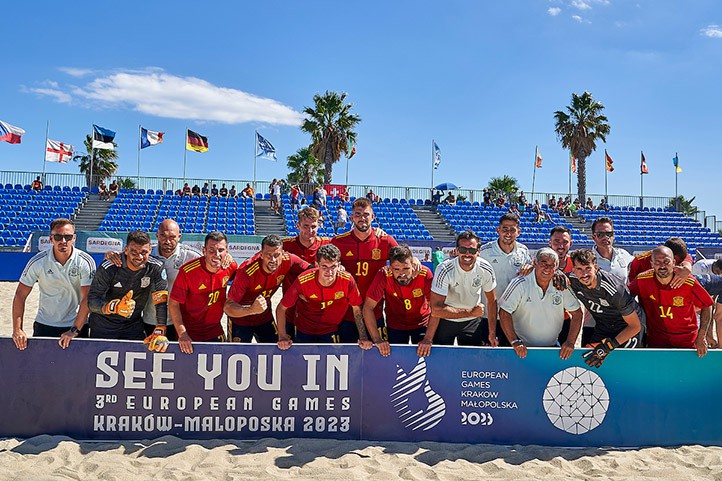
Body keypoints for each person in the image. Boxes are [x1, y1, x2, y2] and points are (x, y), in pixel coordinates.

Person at [103, 219, 205, 339]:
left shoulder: (191, 256)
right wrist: (112, 254)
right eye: (163, 236)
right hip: (151, 319)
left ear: (179, 237)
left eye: (172, 237)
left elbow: (212, 261)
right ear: (156, 235)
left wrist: (227, 257)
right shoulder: (145, 254)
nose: (167, 241)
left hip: (180, 322)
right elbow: (128, 255)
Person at [11, 218, 96, 350]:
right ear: (51, 239)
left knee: (76, 370)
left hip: (77, 325)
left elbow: (87, 298)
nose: (63, 241)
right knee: (42, 370)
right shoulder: (38, 261)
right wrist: (17, 330)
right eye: (58, 237)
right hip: (44, 325)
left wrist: (74, 330)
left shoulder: (85, 261)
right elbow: (20, 295)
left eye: (67, 237)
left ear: (74, 238)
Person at [85, 231, 169, 350]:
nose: (139, 257)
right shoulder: (110, 266)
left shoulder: (156, 266)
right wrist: (114, 307)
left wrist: (160, 329)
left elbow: (161, 300)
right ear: (126, 249)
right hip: (103, 326)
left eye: (144, 252)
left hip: (133, 326)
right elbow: (92, 301)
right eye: (134, 252)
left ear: (150, 249)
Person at [332, 197, 399, 342]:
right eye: (358, 214)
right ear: (351, 218)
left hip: (375, 313)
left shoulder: (385, 240)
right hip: (346, 314)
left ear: (373, 217)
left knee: (379, 357)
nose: (362, 218)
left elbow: (404, 258)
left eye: (366, 214)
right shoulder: (339, 241)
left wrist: (415, 260)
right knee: (347, 360)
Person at [277, 244, 370, 349]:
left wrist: (363, 336)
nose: (329, 272)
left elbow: (356, 308)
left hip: (330, 329)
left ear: (339, 265)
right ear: (317, 264)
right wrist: (282, 337)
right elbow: (281, 308)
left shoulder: (347, 280)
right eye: (324, 267)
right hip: (304, 330)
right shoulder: (304, 280)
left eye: (333, 267)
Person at [628, 246, 713, 356]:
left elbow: (707, 305)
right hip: (656, 340)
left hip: (687, 340)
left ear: (674, 263)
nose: (662, 266)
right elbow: (624, 298)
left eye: (666, 261)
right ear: (651, 264)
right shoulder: (642, 280)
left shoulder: (688, 282)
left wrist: (701, 336)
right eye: (657, 262)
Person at [224, 234, 310, 343]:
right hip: (240, 320)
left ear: (282, 254)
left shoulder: (288, 260)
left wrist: (305, 291)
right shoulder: (246, 271)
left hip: (264, 317)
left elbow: (312, 271)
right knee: (236, 355)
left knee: (275, 352)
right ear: (261, 255)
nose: (273, 259)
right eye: (268, 255)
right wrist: (251, 310)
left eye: (276, 254)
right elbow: (228, 307)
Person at [499, 248, 582, 359]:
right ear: (534, 263)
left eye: (552, 265)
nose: (547, 268)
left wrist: (570, 342)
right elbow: (504, 312)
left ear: (556, 267)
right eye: (544, 263)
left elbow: (577, 313)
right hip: (520, 349)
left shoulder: (560, 284)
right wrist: (514, 341)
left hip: (551, 348)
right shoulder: (520, 283)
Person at [568, 249, 644, 367]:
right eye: (579, 269)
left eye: (588, 268)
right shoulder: (571, 279)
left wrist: (609, 346)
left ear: (596, 268)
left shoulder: (614, 289)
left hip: (627, 325)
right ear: (574, 270)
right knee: (590, 359)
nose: (584, 274)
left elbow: (635, 326)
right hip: (604, 324)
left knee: (626, 364)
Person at [169, 231, 238, 354]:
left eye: (221, 250)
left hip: (214, 330)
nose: (217, 254)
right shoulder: (188, 271)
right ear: (204, 251)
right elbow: (173, 304)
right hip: (189, 333)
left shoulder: (230, 267)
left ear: (227, 251)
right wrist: (182, 333)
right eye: (211, 250)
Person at [363, 245, 438, 357]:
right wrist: (377, 340)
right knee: (394, 361)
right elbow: (367, 307)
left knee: (426, 360)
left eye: (406, 269)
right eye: (396, 269)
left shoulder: (424, 274)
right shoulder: (384, 274)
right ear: (390, 268)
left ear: (413, 265)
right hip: (395, 325)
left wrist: (428, 339)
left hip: (421, 323)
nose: (402, 273)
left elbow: (436, 309)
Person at [431, 230, 497, 346]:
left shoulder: (485, 269)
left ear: (478, 252)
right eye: (462, 250)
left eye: (472, 250)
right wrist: (470, 312)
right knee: (441, 361)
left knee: (472, 362)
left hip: (472, 322)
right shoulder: (444, 269)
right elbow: (436, 310)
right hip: (446, 321)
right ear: (456, 251)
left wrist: (492, 334)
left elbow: (492, 301)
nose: (467, 254)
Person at [479, 213, 532, 346]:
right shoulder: (485, 251)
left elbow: (530, 277)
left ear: (518, 232)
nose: (508, 233)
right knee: (489, 357)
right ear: (498, 230)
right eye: (505, 229)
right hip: (488, 316)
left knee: (511, 356)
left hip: (513, 316)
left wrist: (530, 267)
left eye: (512, 229)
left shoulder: (523, 251)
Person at [628, 237, 693, 286]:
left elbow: (686, 258)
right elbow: (632, 285)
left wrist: (687, 267)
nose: (675, 265)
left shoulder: (679, 255)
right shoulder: (639, 262)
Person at [590, 217, 634, 282]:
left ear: (613, 236)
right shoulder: (588, 259)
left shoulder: (623, 254)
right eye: (600, 234)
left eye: (609, 234)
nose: (605, 237)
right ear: (594, 238)